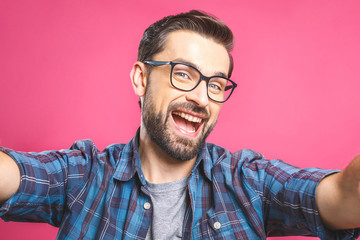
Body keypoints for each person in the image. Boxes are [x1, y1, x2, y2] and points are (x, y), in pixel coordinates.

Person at [0, 10, 359, 240]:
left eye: (215, 84)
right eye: (183, 74)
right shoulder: (84, 175)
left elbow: (344, 197)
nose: (202, 98)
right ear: (141, 79)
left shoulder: (249, 183)